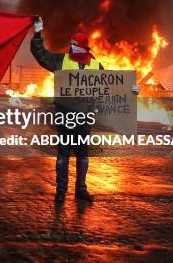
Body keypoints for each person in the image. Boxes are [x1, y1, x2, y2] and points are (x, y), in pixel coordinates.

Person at [30, 17, 139, 203]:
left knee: (82, 156)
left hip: (85, 118)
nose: (72, 47)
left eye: (75, 45)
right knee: (63, 155)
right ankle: (61, 191)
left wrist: (131, 90)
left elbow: (111, 86)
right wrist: (38, 34)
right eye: (71, 44)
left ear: (84, 46)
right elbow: (41, 54)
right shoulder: (61, 60)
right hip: (65, 117)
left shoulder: (96, 66)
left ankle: (81, 190)